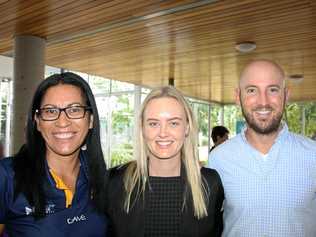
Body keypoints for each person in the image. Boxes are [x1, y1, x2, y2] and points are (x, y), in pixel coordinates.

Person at [208, 59, 316, 236]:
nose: (263, 101)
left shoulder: (313, 155)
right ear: (238, 97)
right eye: (252, 90)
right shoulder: (219, 159)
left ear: (286, 95)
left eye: (273, 90)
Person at [106, 86, 224, 237]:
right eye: (153, 123)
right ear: (142, 127)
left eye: (173, 123)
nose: (163, 133)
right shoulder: (116, 182)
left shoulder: (209, 183)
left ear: (187, 127)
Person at [0, 72, 108, 236]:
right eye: (50, 111)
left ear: (91, 119)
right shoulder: (7, 176)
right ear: (37, 121)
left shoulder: (100, 177)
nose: (62, 122)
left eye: (74, 109)